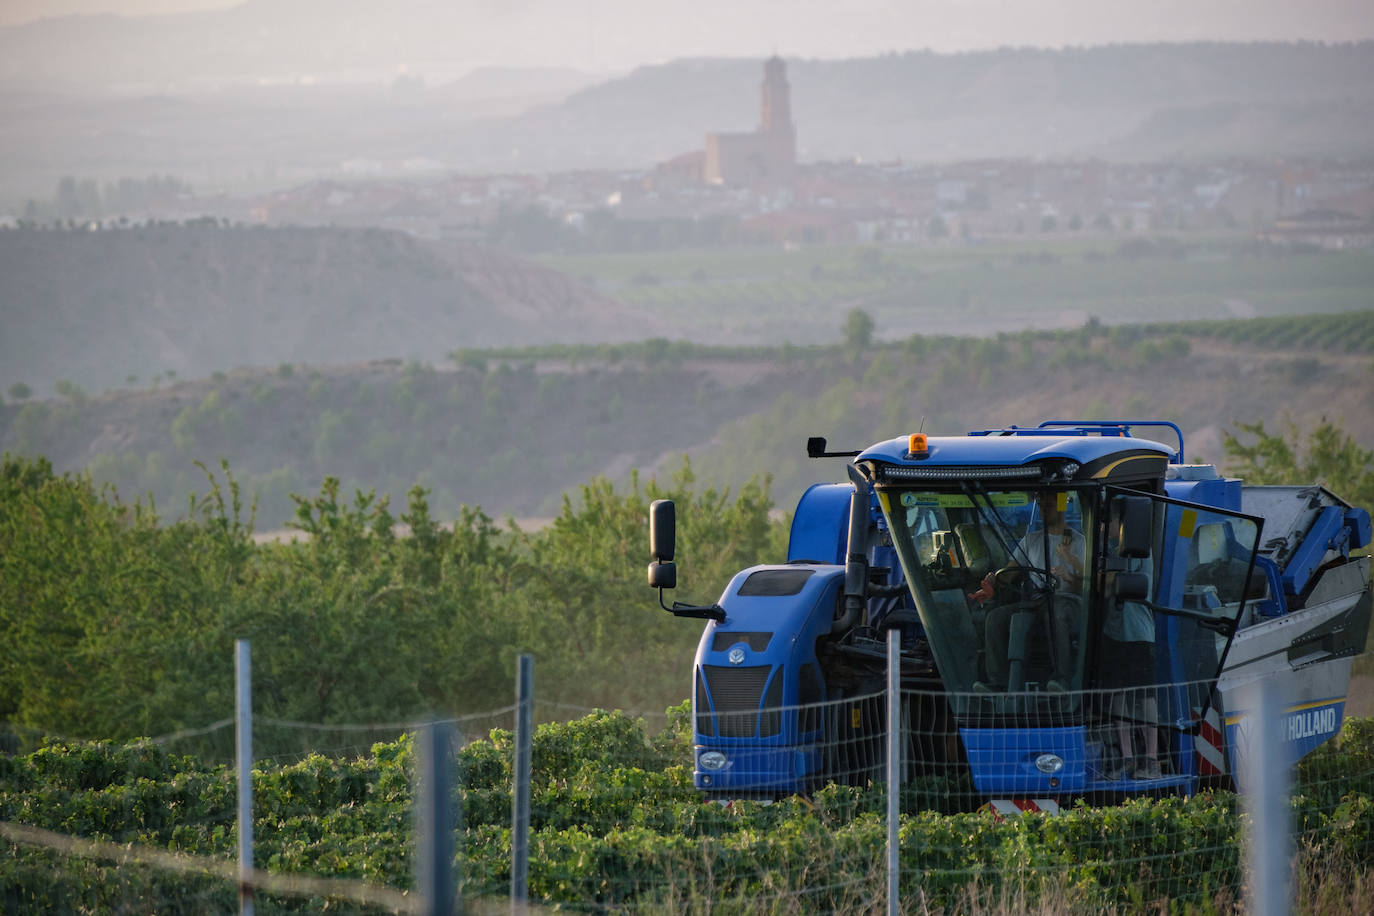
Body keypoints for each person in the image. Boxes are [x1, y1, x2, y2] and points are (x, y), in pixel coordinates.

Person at [971, 492, 1085, 692]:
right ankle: (999, 682)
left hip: (1067, 601)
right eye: (1041, 504)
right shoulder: (1031, 540)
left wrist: (1068, 574)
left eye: (1048, 504)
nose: (1043, 509)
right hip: (1035, 601)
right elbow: (1010, 571)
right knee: (995, 617)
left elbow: (1085, 586)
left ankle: (1062, 679)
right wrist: (993, 580)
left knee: (1055, 612)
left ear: (1061, 505)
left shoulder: (1079, 542)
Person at [1102, 547, 1161, 780]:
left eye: (1109, 522)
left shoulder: (1136, 549)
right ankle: (1127, 758)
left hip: (1137, 633)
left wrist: (1075, 565)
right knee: (1118, 694)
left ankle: (1151, 760)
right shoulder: (1113, 549)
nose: (1105, 527)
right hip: (1114, 632)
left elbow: (1108, 584)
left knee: (1145, 696)